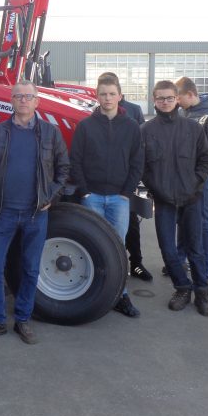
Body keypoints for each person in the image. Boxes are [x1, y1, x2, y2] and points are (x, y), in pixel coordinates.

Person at [0, 80, 69, 344]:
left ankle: (23, 320)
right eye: (18, 96)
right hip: (3, 213)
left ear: (37, 101)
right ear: (12, 101)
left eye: (28, 96)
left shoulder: (50, 133)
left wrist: (52, 196)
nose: (23, 100)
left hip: (35, 214)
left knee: (29, 269)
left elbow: (63, 169)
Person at [71, 73, 143, 317]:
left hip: (118, 199)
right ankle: (96, 293)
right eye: (103, 94)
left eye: (112, 94)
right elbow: (76, 160)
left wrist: (126, 193)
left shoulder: (131, 127)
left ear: (120, 96)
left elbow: (137, 162)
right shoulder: (86, 126)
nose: (108, 98)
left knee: (118, 248)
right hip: (92, 197)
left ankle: (121, 296)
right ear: (97, 96)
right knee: (94, 246)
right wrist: (85, 191)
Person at [141, 80, 208, 316]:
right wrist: (155, 187)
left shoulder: (192, 129)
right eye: (160, 98)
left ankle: (202, 292)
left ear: (177, 99)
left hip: (191, 198)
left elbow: (206, 159)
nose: (165, 102)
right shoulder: (146, 131)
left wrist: (195, 183)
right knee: (168, 249)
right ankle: (182, 287)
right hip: (164, 200)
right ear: (154, 101)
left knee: (196, 248)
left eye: (169, 98)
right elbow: (141, 166)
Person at [175, 77, 208, 286]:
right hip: (182, 181)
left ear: (190, 94)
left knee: (204, 224)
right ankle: (180, 262)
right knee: (183, 222)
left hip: (201, 182)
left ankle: (206, 271)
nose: (176, 102)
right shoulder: (183, 114)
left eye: (178, 98)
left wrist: (198, 175)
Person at [119, 91, 152, 281]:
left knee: (132, 224)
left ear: (120, 94)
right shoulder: (94, 116)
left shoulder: (133, 112)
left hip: (127, 182)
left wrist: (133, 180)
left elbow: (140, 147)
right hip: (104, 184)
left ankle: (136, 263)